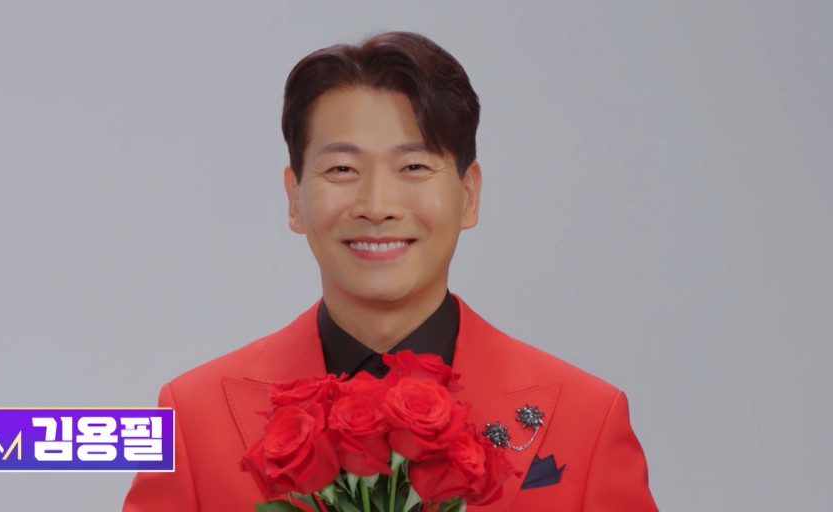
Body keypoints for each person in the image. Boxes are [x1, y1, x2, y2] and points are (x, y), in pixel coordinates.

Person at [123, 31, 657, 511]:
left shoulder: (590, 418)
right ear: (294, 198)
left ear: (469, 195)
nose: (377, 206)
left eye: (414, 167)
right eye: (342, 169)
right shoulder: (188, 419)